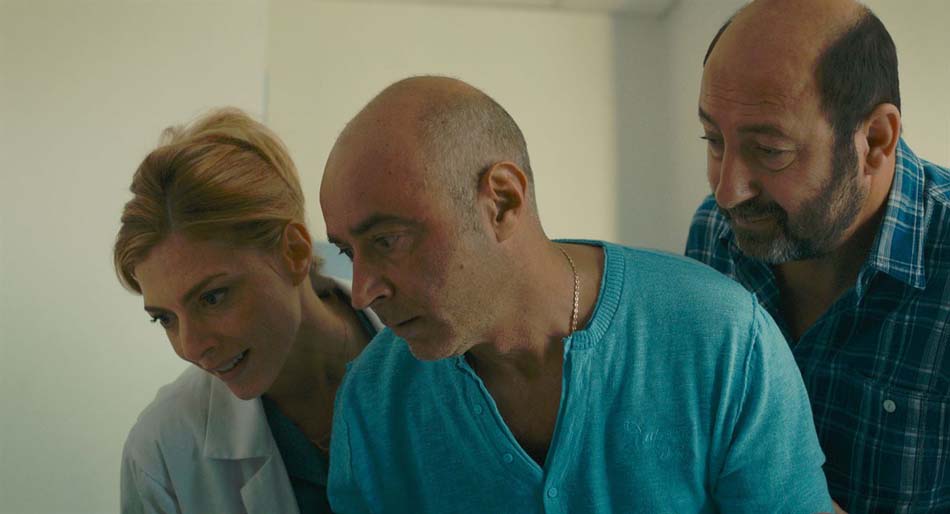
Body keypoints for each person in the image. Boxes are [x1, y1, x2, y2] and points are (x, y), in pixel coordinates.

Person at [320, 76, 833, 513]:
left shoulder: (723, 340)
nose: (363, 292)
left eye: (387, 241)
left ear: (502, 201)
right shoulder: (372, 403)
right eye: (348, 253)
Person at [685, 1, 950, 512]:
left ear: (875, 140)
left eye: (770, 150)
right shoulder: (714, 231)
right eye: (714, 141)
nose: (726, 191)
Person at [115, 108, 380, 513]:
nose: (192, 347)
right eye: (165, 318)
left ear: (294, 252)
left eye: (212, 298)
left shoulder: (446, 360)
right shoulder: (161, 453)